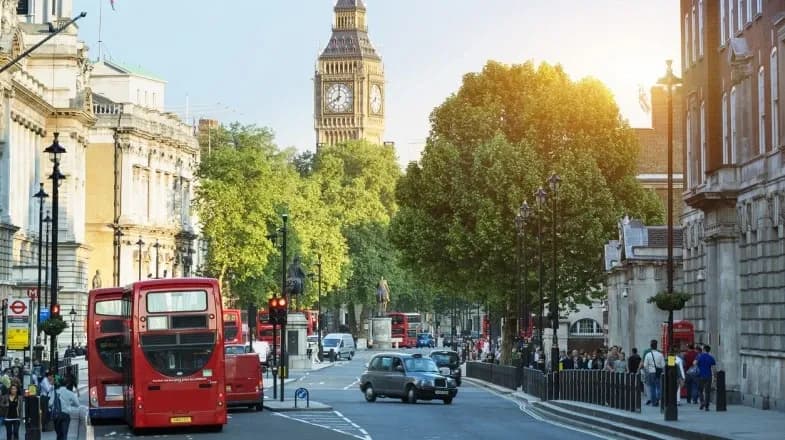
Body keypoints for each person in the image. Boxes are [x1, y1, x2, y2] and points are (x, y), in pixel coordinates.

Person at [642, 339, 665, 406]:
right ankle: (658, 398)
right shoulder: (660, 355)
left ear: (651, 346)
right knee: (659, 386)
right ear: (656, 346)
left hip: (651, 372)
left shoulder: (648, 355)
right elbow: (663, 365)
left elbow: (645, 365)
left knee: (652, 387)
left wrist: (648, 371)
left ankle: (654, 402)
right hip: (658, 372)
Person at [697, 344, 717, 411]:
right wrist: (715, 377)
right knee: (707, 391)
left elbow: (694, 363)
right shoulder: (711, 358)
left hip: (701, 375)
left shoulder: (700, 357)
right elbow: (714, 368)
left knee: (700, 390)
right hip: (708, 376)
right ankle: (707, 406)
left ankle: (702, 402)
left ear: (704, 350)